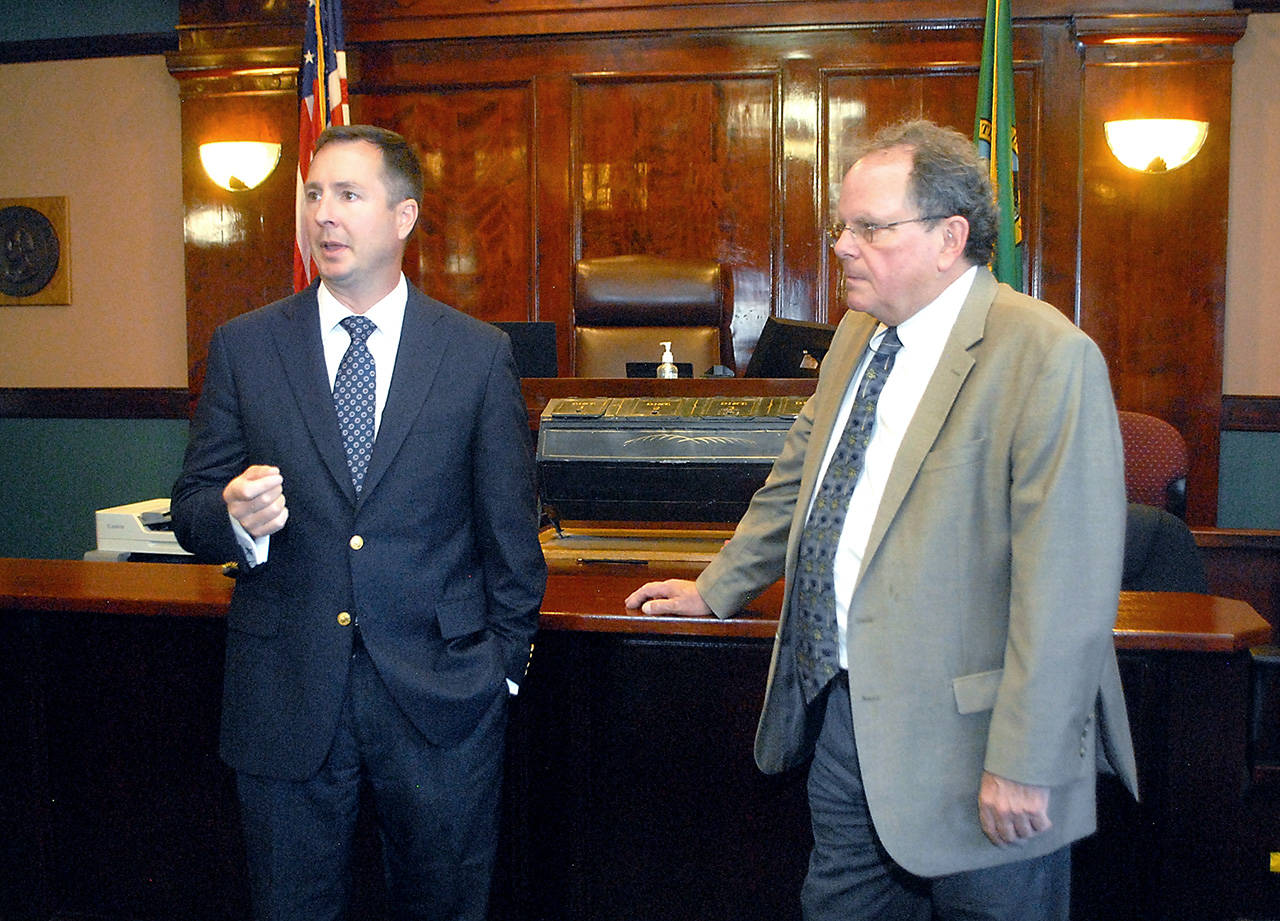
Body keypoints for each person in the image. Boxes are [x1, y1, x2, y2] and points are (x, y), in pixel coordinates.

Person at [625, 119, 1138, 921]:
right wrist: (716, 586)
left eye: (869, 226)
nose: (842, 245)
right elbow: (799, 481)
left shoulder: (1043, 354)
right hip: (847, 718)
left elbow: (1068, 582)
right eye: (841, 225)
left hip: (981, 745)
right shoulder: (856, 338)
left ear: (950, 236)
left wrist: (1026, 759)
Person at [171, 124, 547, 921]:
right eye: (313, 194)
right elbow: (192, 509)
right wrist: (233, 516)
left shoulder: (475, 354)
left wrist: (501, 670)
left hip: (441, 698)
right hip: (285, 695)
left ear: (404, 217)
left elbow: (511, 535)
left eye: (348, 195)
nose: (324, 216)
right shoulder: (246, 345)